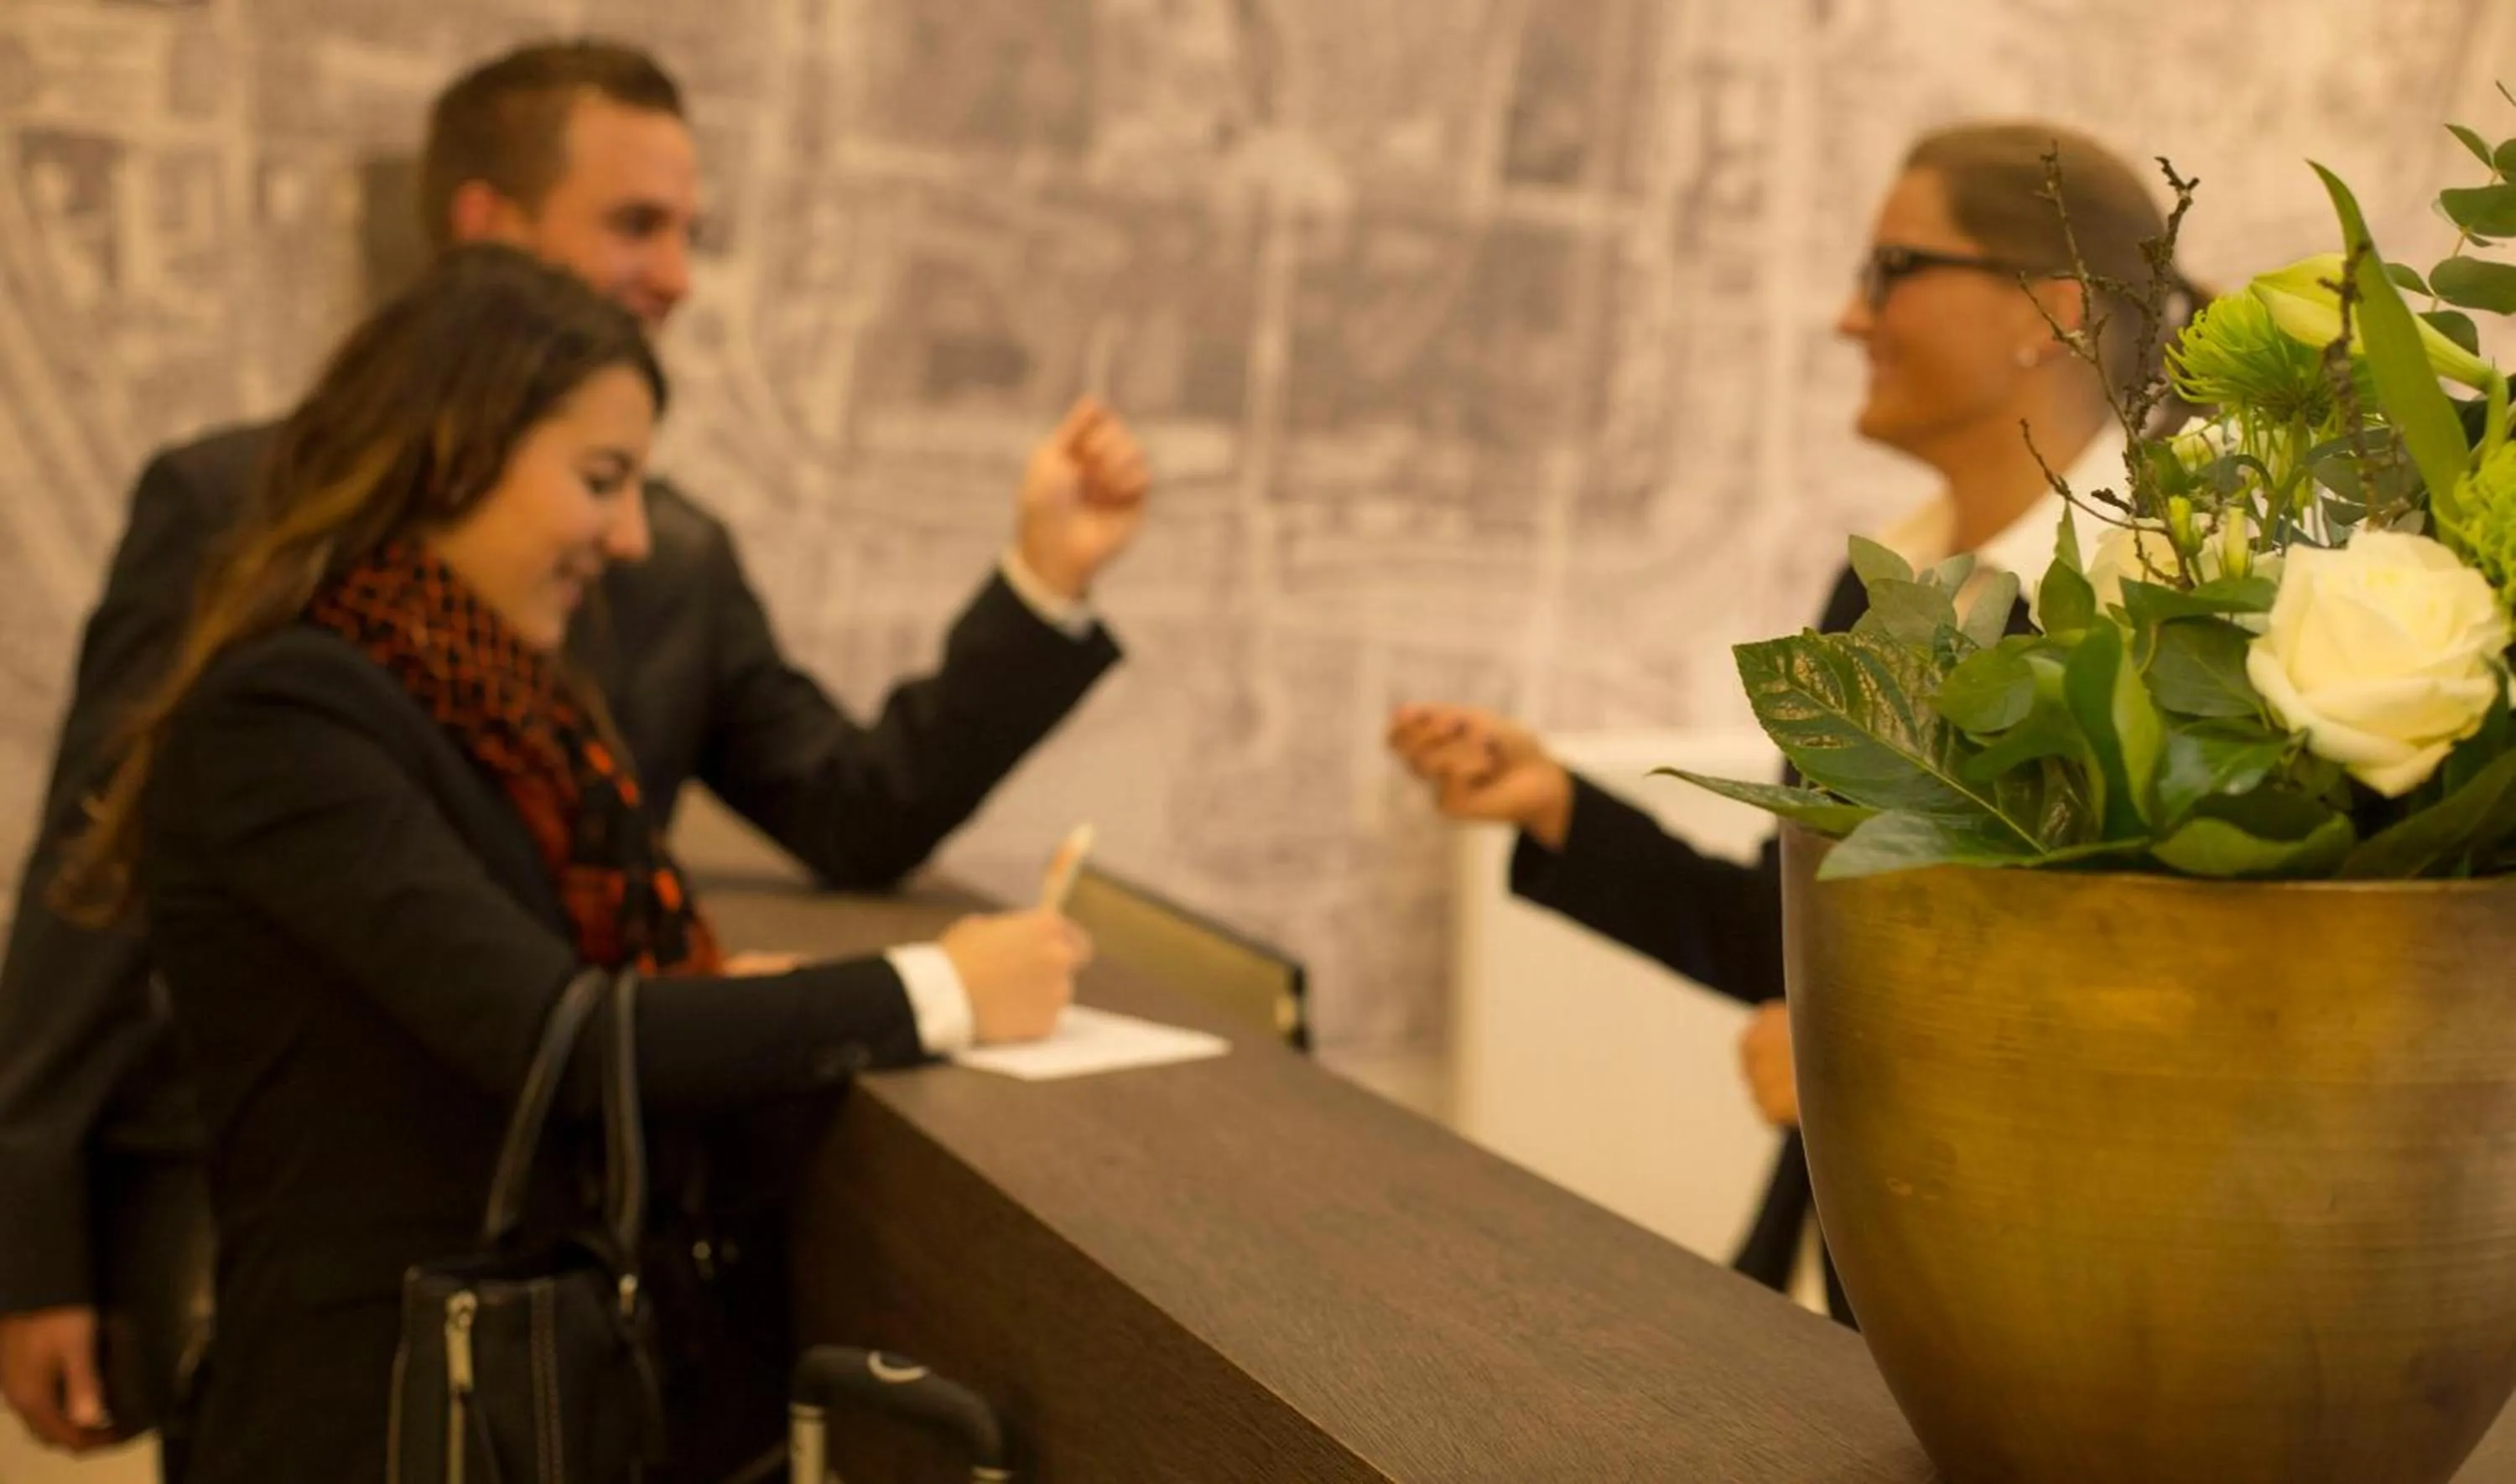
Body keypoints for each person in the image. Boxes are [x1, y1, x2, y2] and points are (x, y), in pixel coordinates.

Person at [0, 38, 1150, 1464]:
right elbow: (91, 892)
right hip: (353, 1324)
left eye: (689, 233)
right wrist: (33, 1229)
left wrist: (1044, 583)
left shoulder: (646, 574)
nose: (675, 272)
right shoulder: (262, 615)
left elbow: (848, 807)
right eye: (635, 223)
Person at [1389, 122, 2195, 1322]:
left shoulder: (2174, 606)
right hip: (1859, 1295)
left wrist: (1879, 1077)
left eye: (1891, 271)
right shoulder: (1883, 589)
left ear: (2049, 307)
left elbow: (2181, 1022)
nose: (1848, 317)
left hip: (2064, 1320)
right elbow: (1808, 950)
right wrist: (1559, 804)